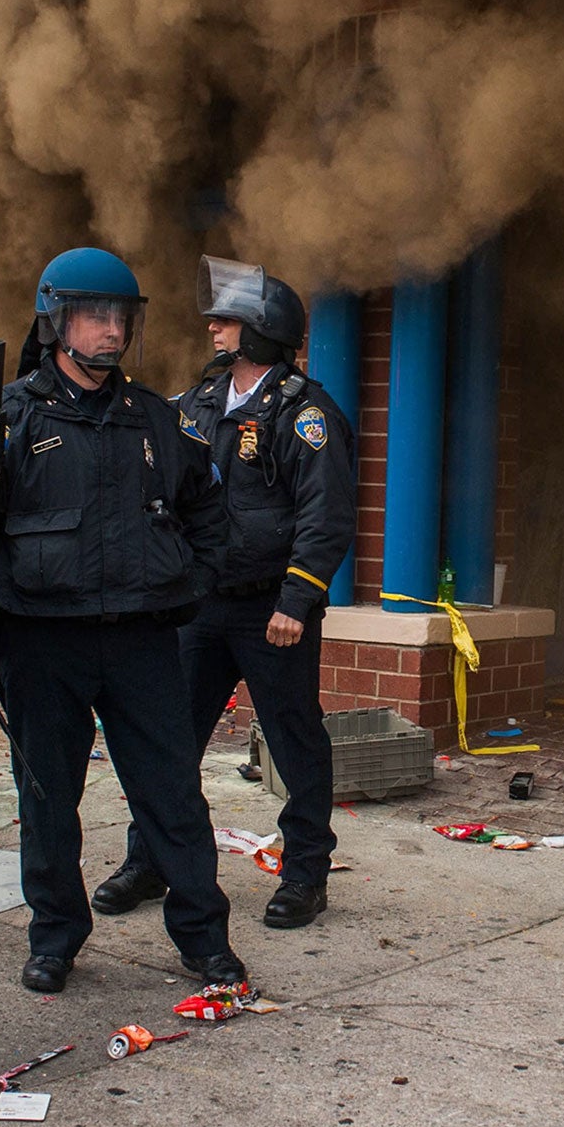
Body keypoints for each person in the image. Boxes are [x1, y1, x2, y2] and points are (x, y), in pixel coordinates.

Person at [0, 246, 245, 994]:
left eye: (120, 317)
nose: (110, 331)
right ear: (54, 320)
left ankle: (204, 938)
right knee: (47, 802)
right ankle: (55, 940)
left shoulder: (157, 421)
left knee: (172, 796)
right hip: (42, 642)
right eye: (93, 315)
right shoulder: (11, 421)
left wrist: (185, 589)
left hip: (142, 641)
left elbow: (210, 514)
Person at [91, 257, 354, 929]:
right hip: (199, 606)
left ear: (263, 331)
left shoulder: (306, 414)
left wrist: (297, 599)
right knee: (166, 741)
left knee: (295, 743)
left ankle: (305, 875)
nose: (213, 327)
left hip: (271, 610)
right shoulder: (197, 405)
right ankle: (151, 861)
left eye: (229, 319)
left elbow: (325, 517)